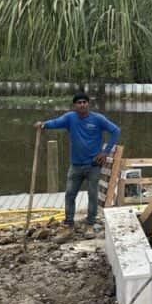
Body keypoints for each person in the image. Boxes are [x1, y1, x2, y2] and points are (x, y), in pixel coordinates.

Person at [35, 92, 121, 228]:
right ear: (75, 105)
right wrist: (44, 125)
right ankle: (69, 220)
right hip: (75, 165)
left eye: (84, 102)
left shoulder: (98, 119)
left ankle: (91, 220)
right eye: (79, 103)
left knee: (92, 194)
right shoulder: (70, 118)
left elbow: (115, 131)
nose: (82, 105)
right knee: (70, 193)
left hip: (94, 164)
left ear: (88, 104)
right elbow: (56, 122)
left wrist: (105, 152)